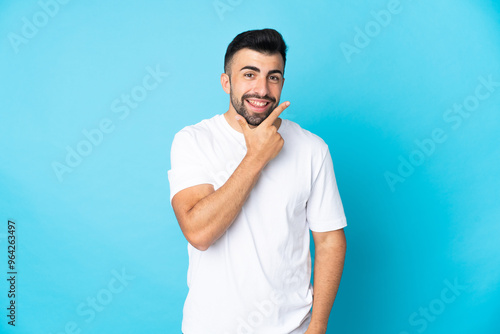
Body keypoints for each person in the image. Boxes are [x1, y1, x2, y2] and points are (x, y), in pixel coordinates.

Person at [168, 28, 347, 334]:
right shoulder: (193, 141)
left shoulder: (312, 148)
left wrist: (317, 327)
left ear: (282, 83)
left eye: (273, 76)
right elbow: (199, 232)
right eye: (249, 74)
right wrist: (257, 157)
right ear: (227, 82)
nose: (262, 89)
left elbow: (330, 240)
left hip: (292, 327)